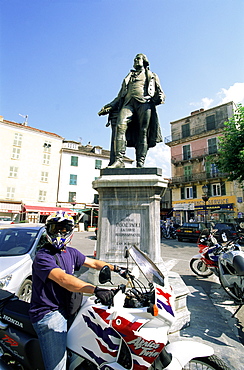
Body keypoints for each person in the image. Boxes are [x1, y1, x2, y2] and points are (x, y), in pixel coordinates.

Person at [29, 211, 126, 370]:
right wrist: (95, 290)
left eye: (64, 229)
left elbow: (93, 263)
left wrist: (118, 268)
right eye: (56, 228)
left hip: (69, 308)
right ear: (48, 230)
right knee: (58, 367)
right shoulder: (43, 256)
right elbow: (64, 280)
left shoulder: (70, 252)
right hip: (50, 312)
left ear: (70, 231)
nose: (60, 232)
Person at [98, 53, 165, 168]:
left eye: (138, 58)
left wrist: (160, 98)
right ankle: (119, 160)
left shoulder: (151, 75)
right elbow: (119, 97)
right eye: (134, 59)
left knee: (143, 132)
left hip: (144, 103)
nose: (135, 60)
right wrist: (109, 106)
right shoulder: (128, 77)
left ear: (144, 61)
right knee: (120, 126)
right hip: (128, 103)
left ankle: (140, 162)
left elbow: (160, 92)